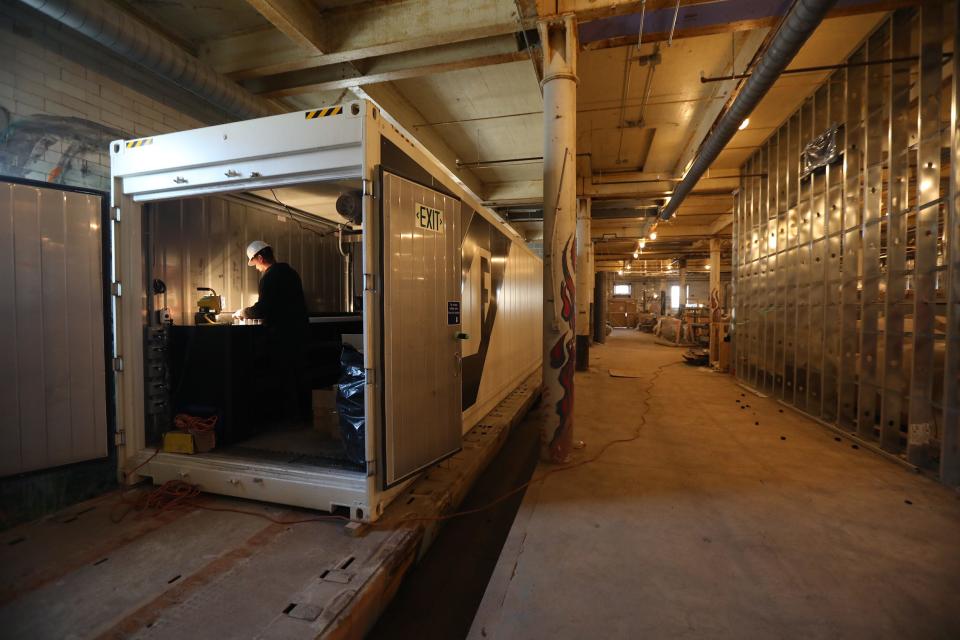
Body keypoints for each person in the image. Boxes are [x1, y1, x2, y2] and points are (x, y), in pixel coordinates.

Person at [235, 240, 311, 426]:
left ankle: (290, 419)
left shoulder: (269, 277)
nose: (256, 268)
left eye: (255, 264)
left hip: (282, 336)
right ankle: (305, 416)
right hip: (300, 333)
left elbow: (264, 308)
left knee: (285, 377)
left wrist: (243, 312)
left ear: (260, 258)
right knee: (300, 375)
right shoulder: (291, 273)